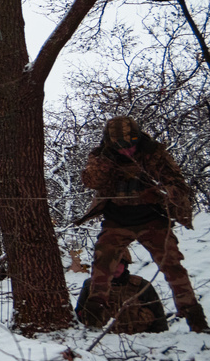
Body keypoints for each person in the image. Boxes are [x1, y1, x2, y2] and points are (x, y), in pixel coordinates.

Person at [79, 116, 207, 333]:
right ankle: (92, 322)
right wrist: (106, 165)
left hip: (152, 220)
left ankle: (196, 322)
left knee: (173, 267)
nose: (127, 150)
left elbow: (178, 185)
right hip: (117, 220)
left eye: (131, 144)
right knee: (102, 267)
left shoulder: (154, 153)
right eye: (120, 146)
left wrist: (160, 193)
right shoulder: (102, 156)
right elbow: (91, 181)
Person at [74, 251, 167, 334]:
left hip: (139, 340)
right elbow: (79, 316)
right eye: (110, 263)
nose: (114, 267)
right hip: (100, 340)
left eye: (119, 263)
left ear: (125, 265)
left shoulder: (141, 285)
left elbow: (159, 320)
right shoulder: (91, 285)